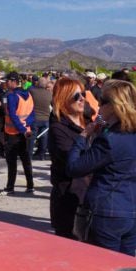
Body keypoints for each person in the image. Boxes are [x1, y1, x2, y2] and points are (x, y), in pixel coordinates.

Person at [67, 80, 136, 255]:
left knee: (103, 269)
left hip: (107, 212)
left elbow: (74, 167)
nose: (99, 106)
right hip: (134, 211)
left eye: (103, 102)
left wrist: (83, 137)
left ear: (115, 106)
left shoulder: (110, 140)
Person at [47, 76, 91, 239]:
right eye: (76, 96)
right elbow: (73, 162)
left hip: (89, 197)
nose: (82, 99)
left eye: (83, 94)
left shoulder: (87, 122)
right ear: (63, 100)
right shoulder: (58, 128)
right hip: (68, 198)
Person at [2, 72, 35, 194]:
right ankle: (30, 186)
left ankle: (10, 187)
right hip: (26, 133)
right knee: (26, 160)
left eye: (7, 81)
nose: (6, 83)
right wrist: (26, 126)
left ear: (13, 81)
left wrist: (21, 129)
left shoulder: (12, 96)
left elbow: (13, 116)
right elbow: (32, 114)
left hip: (13, 133)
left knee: (12, 162)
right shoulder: (28, 95)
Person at [28, 76, 52, 160]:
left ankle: (29, 155)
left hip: (35, 117)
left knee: (32, 137)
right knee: (44, 137)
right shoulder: (49, 94)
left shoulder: (32, 91)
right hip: (46, 118)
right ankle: (42, 155)